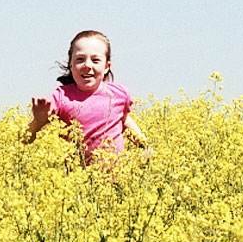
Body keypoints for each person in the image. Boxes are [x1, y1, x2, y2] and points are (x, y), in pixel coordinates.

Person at [25, 29, 150, 164]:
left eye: (95, 60)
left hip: (118, 176)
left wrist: (143, 145)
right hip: (77, 175)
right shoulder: (61, 96)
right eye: (80, 59)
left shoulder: (119, 94)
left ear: (106, 67)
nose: (87, 65)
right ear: (71, 64)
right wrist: (38, 121)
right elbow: (26, 140)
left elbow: (123, 120)